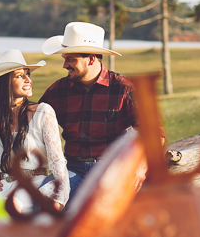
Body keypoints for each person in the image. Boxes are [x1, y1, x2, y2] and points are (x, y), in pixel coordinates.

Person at [39, 22, 161, 197]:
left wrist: (140, 167)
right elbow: (31, 126)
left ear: (91, 59)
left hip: (113, 168)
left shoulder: (123, 88)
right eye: (64, 59)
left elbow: (152, 132)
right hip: (72, 169)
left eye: (70, 59)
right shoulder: (57, 90)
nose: (64, 65)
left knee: (101, 210)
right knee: (42, 200)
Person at [0, 49, 69, 212]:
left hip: (32, 188)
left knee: (7, 212)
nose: (28, 80)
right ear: (4, 83)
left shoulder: (43, 112)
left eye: (28, 74)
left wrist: (58, 200)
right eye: (19, 76)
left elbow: (58, 163)